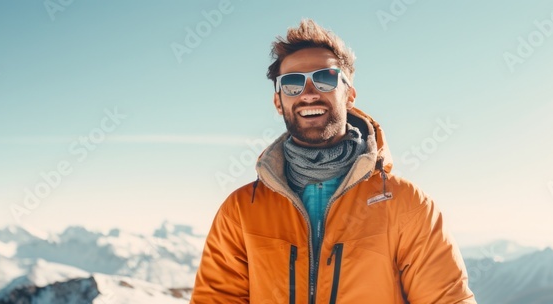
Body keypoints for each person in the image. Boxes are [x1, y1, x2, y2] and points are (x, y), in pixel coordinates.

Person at [191, 19, 476, 304]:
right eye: (292, 83)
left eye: (325, 78)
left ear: (349, 95)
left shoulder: (406, 204)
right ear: (278, 102)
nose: (309, 93)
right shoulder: (241, 211)